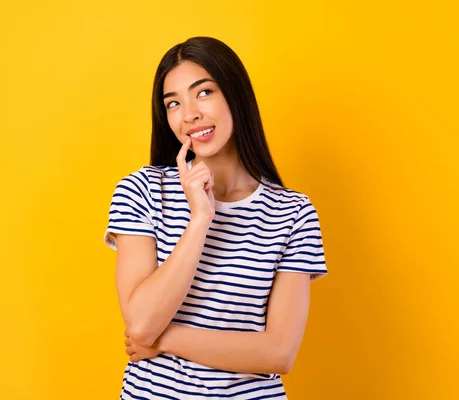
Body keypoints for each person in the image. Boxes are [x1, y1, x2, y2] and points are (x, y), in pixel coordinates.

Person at [103, 36, 328, 399]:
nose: (189, 113)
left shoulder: (293, 213)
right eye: (173, 103)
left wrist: (164, 339)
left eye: (204, 92)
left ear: (235, 95)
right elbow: (141, 321)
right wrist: (199, 221)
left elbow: (278, 353)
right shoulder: (142, 190)